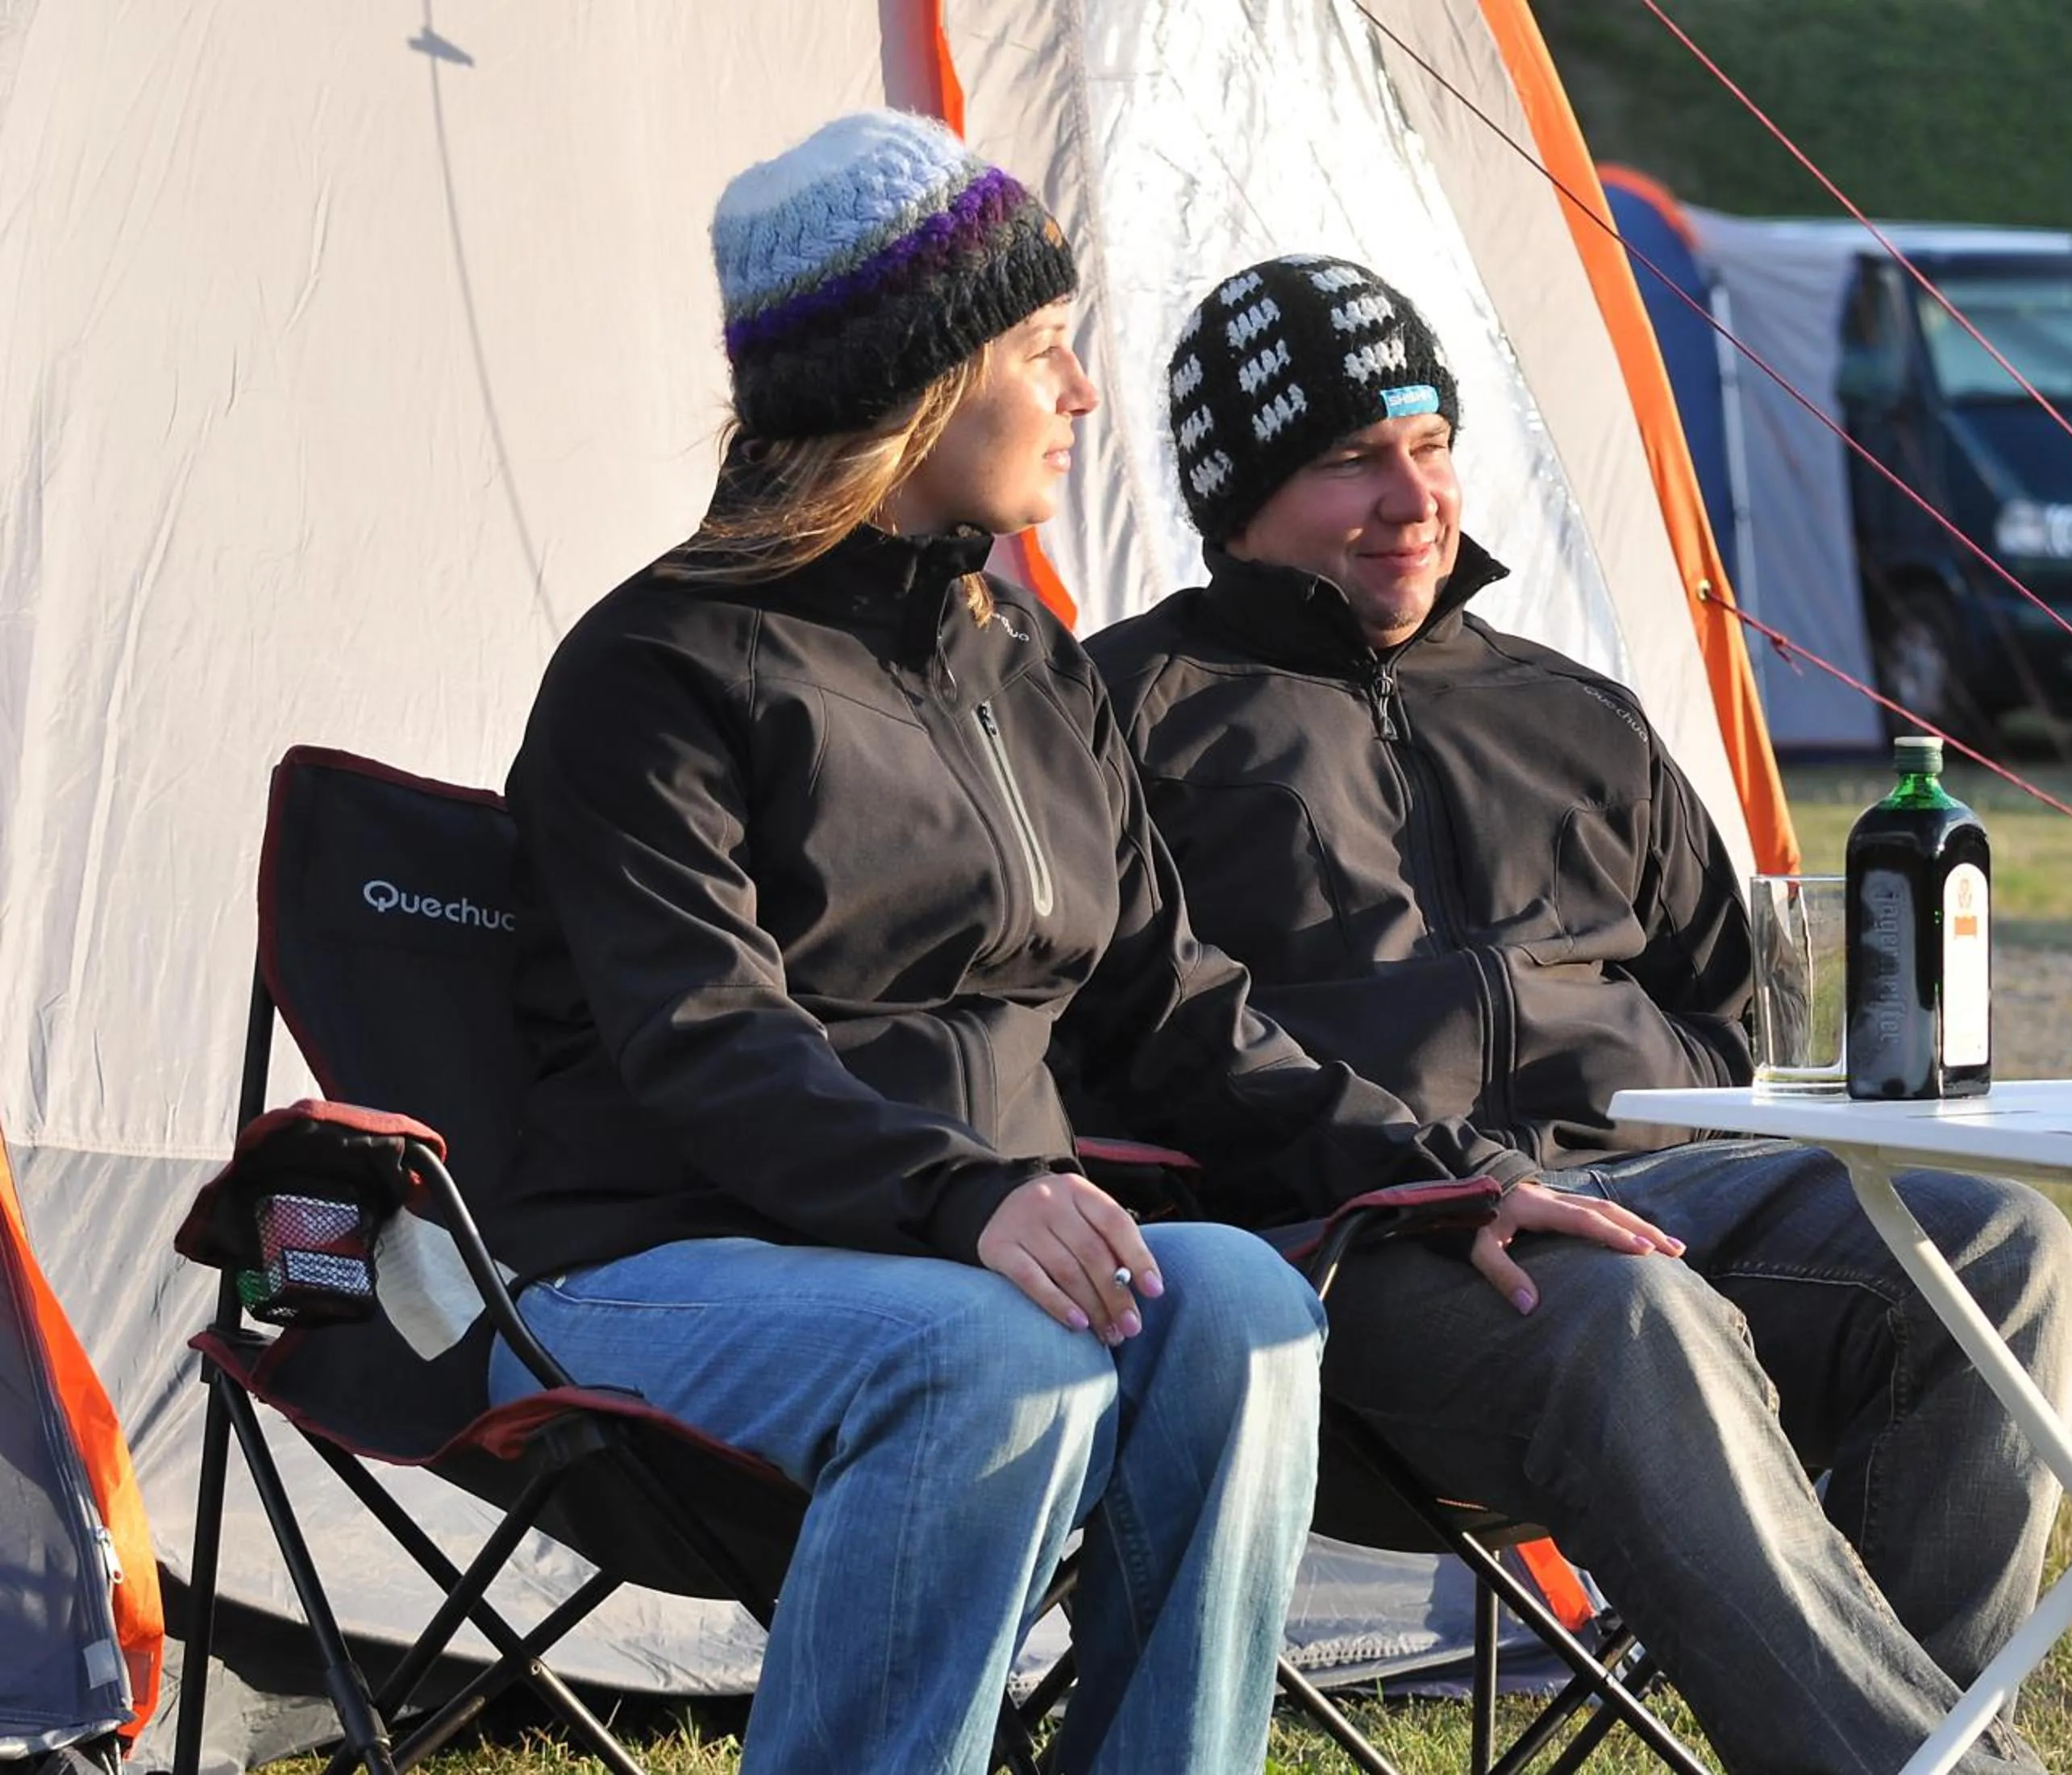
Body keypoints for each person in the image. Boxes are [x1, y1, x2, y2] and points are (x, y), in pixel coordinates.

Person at [485, 128, 1533, 1775]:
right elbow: (706, 1037)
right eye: (1045, 349)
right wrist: (966, 1197)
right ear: (918, 383)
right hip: (651, 1263)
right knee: (997, 1346)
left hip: (960, 1261)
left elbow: (1175, 1004)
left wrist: (1448, 1171)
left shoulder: (1024, 660)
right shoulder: (657, 669)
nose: (1085, 394)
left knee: (1244, 1298)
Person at [1080, 255, 2072, 1775]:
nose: (1413, 498)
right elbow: (1140, 1033)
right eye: (1351, 458)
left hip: (1639, 1196)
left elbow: (1729, 998)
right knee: (1634, 1317)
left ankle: (1916, 1741)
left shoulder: (1568, 708)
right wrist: (1446, 1178)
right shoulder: (1129, 712)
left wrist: (1638, 1130)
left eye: (1430, 445)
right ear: (1236, 496)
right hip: (1347, 1244)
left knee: (1995, 1252)